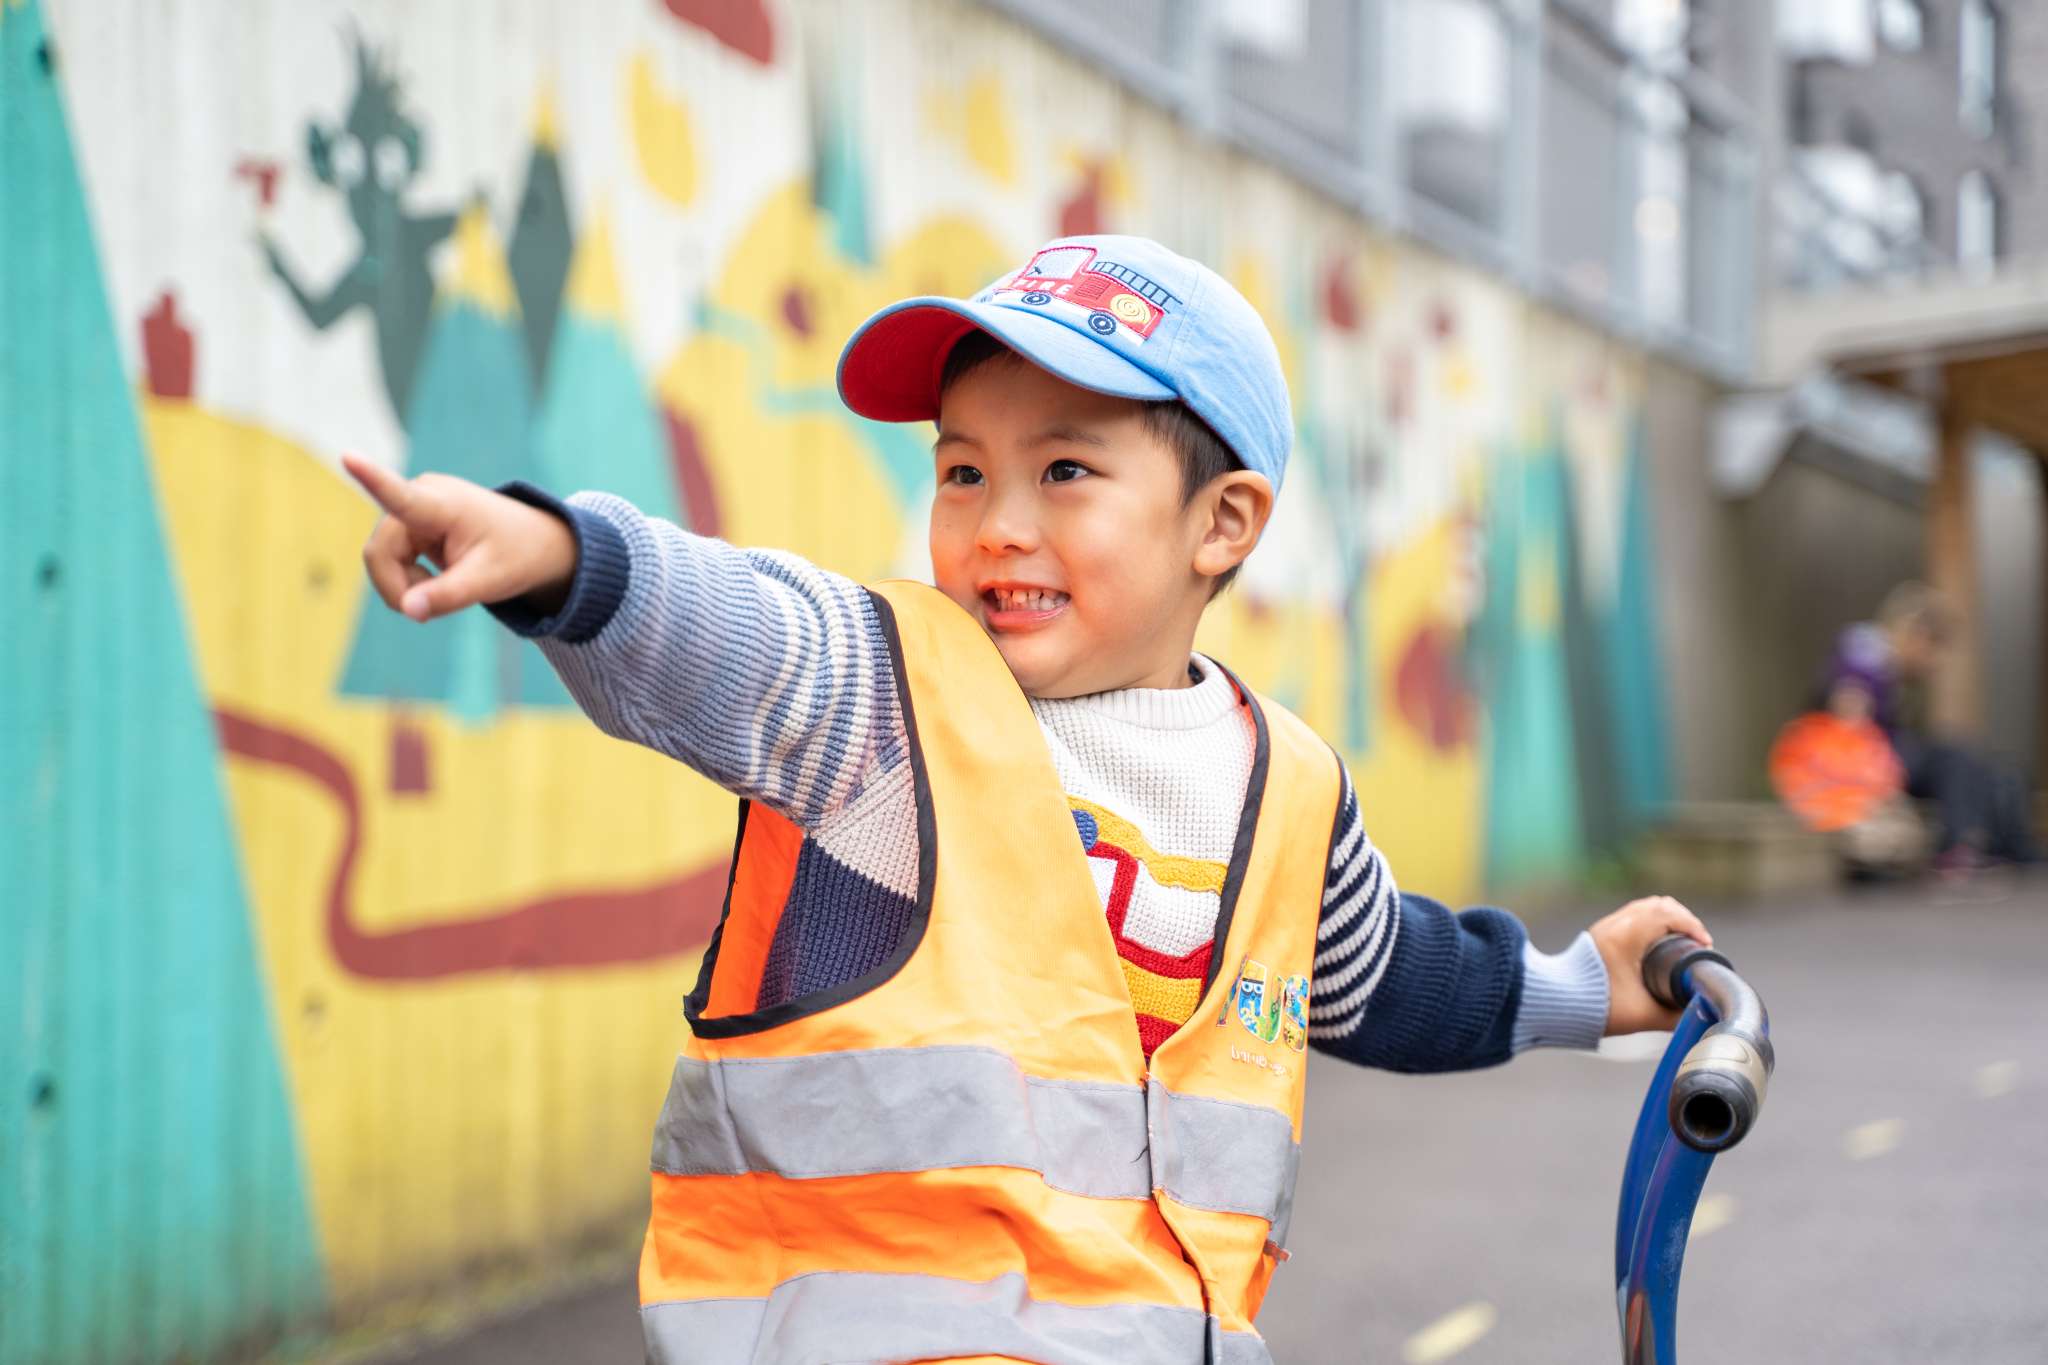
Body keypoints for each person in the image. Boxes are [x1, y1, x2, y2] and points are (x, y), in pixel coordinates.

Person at [347, 234, 1712, 1363]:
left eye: (1063, 469)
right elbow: (726, 627)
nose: (996, 521)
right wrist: (554, 557)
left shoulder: (1285, 786)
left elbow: (1380, 974)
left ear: (1221, 524)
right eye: (961, 471)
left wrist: (1578, 994)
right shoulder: (878, 702)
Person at [1822, 582, 2039, 873]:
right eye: (1934, 648)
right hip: (1870, 764)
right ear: (1916, 634)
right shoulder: (1865, 656)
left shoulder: (1887, 667)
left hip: (1886, 756)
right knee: (1953, 757)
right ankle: (1957, 848)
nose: (1935, 662)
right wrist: (1873, 787)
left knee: (1996, 770)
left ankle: (2013, 849)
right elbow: (1848, 727)